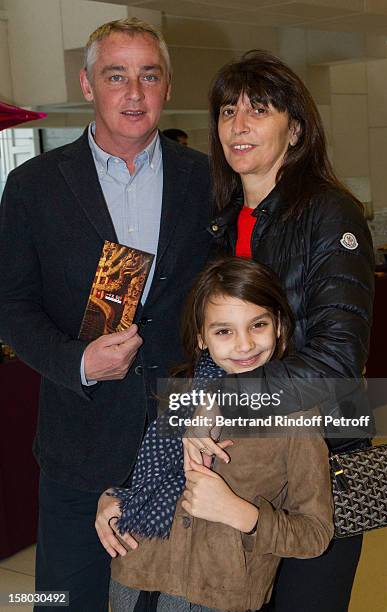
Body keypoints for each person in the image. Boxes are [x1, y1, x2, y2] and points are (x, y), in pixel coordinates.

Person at [0, 17, 212, 611]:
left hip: (183, 445)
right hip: (80, 445)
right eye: (116, 76)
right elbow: (11, 303)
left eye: (149, 75)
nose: (135, 92)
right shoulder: (33, 185)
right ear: (88, 84)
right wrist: (78, 361)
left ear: (168, 86)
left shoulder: (207, 180)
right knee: (69, 601)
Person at [183, 51, 375, 612]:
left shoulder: (329, 213)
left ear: (295, 130)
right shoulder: (220, 226)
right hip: (240, 466)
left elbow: (339, 359)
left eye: (258, 111)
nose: (237, 126)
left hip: (321, 459)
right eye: (226, 112)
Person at [105, 256, 334, 612]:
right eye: (224, 331)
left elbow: (316, 533)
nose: (243, 345)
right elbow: (148, 477)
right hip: (135, 574)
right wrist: (112, 499)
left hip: (216, 595)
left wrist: (242, 514)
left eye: (257, 325)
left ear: (278, 327)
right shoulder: (182, 392)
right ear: (201, 337)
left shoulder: (295, 413)